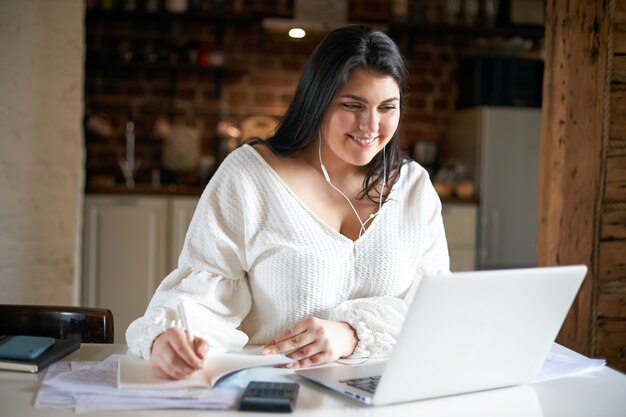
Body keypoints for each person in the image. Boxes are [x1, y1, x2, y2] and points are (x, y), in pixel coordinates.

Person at [126, 25, 450, 380]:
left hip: (390, 396)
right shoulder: (250, 176)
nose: (371, 125)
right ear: (317, 101)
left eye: (387, 107)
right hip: (275, 391)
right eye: (352, 105)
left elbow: (434, 310)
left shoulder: (414, 187)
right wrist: (166, 337)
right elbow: (205, 289)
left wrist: (350, 334)